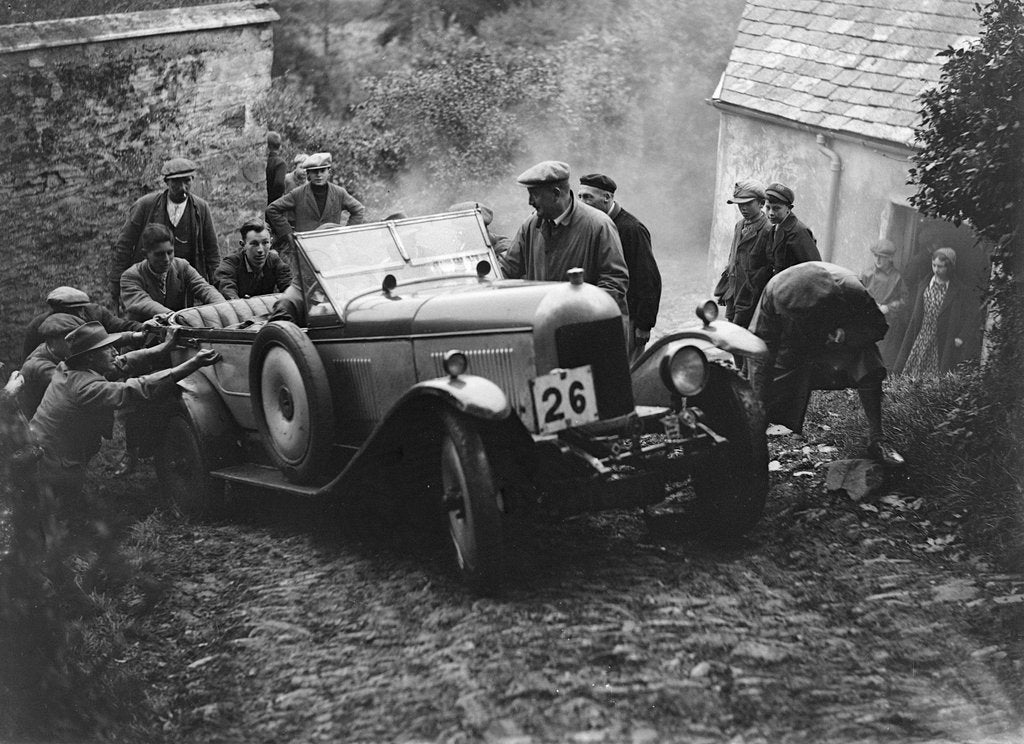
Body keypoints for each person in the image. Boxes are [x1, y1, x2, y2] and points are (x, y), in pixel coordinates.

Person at [29, 322, 220, 498]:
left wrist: (163, 347)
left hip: (42, 445)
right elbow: (137, 389)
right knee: (61, 510)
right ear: (90, 357)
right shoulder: (86, 389)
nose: (114, 352)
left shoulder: (71, 368)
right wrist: (193, 364)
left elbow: (123, 361)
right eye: (107, 349)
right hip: (51, 461)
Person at [749, 261, 903, 467]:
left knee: (869, 361)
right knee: (759, 399)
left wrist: (846, 334)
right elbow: (759, 348)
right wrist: (757, 399)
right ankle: (752, 446)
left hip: (836, 347)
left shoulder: (851, 289)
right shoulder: (773, 291)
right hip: (793, 349)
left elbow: (877, 326)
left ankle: (877, 439)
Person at [499, 161, 629, 313]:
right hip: (545, 323)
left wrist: (581, 313)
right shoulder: (532, 224)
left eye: (534, 195)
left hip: (585, 326)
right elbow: (508, 268)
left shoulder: (599, 225)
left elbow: (614, 282)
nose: (530, 202)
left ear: (556, 194)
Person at [109, 157, 221, 308]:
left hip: (181, 282)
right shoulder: (145, 206)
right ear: (166, 182)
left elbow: (212, 252)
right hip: (148, 279)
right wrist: (116, 283)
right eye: (176, 182)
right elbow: (124, 245)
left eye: (187, 181)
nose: (182, 187)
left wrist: (217, 285)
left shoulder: (201, 208)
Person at [577, 173, 661, 357]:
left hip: (628, 319)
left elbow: (648, 278)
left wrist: (644, 325)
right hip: (601, 317)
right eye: (580, 196)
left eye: (588, 197)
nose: (582, 203)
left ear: (607, 197)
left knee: (629, 376)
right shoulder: (587, 225)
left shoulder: (631, 229)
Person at [894, 247, 982, 378]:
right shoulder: (924, 284)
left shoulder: (958, 290)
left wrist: (961, 337)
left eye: (940, 267)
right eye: (934, 265)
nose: (936, 270)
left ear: (950, 267)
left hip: (942, 340)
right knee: (910, 373)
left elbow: (973, 315)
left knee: (935, 377)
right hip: (920, 336)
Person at [120, 224, 226, 321]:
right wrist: (178, 318)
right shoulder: (131, 277)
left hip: (179, 330)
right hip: (145, 334)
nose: (166, 259)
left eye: (170, 252)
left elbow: (204, 289)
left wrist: (224, 308)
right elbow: (146, 304)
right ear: (145, 254)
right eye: (159, 254)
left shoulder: (182, 266)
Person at [748, 182, 821, 315]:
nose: (770, 213)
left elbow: (813, 268)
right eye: (768, 207)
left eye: (776, 208)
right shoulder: (775, 227)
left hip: (793, 296)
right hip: (777, 291)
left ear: (789, 208)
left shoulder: (798, 231)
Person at [22, 286, 143, 361]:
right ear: (57, 310)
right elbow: (29, 358)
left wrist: (142, 328)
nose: (80, 313)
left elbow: (121, 326)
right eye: (72, 310)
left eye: (81, 308)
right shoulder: (40, 326)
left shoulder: (96, 312)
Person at [265, 152, 366, 241]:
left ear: (329, 172)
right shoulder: (298, 194)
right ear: (308, 173)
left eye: (322, 171)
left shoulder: (339, 193)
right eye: (315, 171)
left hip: (332, 245)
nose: (319, 175)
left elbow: (358, 210)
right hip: (305, 248)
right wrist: (288, 234)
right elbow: (272, 209)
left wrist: (346, 233)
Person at [714, 180, 771, 328]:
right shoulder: (740, 225)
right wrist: (727, 288)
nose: (743, 208)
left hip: (752, 295)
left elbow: (769, 267)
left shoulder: (768, 229)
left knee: (746, 338)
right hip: (735, 292)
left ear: (761, 203)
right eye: (740, 204)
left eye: (748, 203)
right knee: (733, 333)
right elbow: (733, 257)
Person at [19, 313, 85, 419]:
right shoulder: (39, 365)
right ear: (53, 341)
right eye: (70, 340)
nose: (77, 344)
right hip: (35, 427)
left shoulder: (55, 351)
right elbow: (74, 385)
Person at [858, 238, 908, 368]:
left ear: (890, 258)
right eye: (876, 256)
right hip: (866, 319)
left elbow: (905, 300)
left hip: (886, 321)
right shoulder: (866, 274)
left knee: (882, 355)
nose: (878, 260)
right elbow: (858, 295)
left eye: (882, 257)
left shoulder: (897, 277)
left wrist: (889, 307)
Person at [214, 218, 293, 299]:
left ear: (271, 243)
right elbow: (227, 290)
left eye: (265, 243)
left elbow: (290, 288)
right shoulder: (230, 265)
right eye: (254, 244)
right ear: (243, 245)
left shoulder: (275, 262)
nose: (260, 250)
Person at [266, 131, 288, 204]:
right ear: (280, 146)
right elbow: (279, 184)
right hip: (274, 203)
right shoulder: (280, 163)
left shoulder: (265, 161)